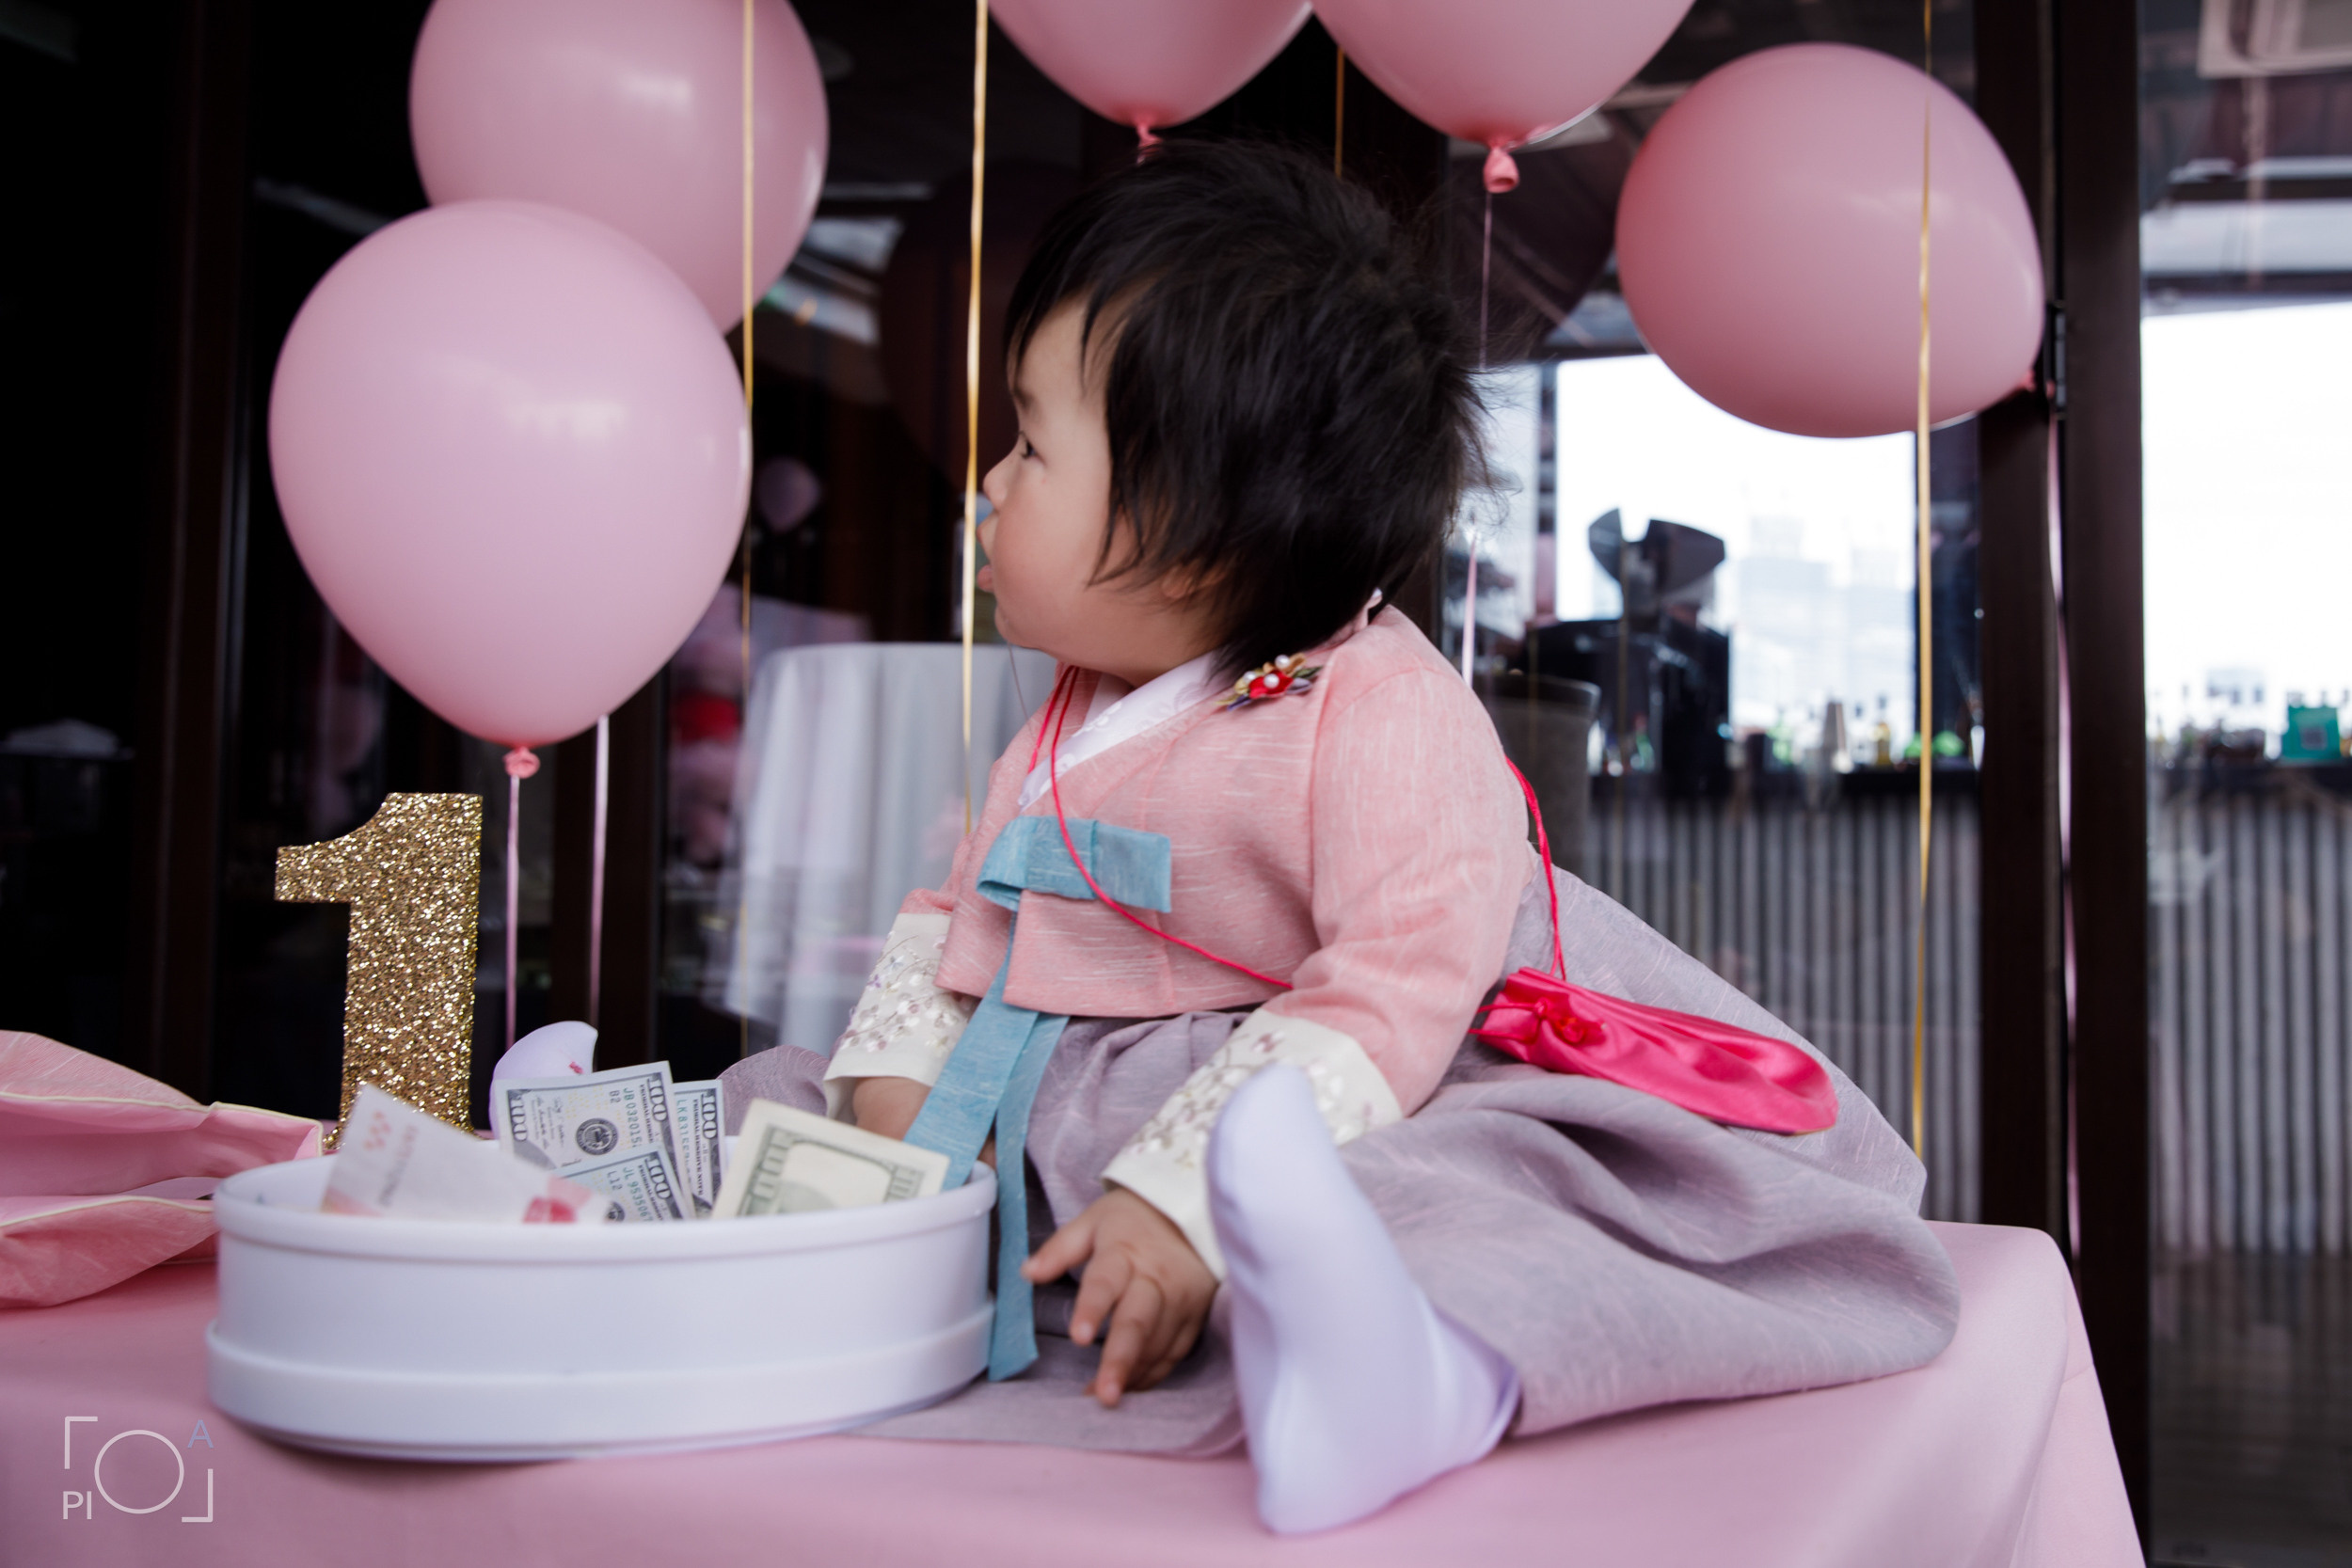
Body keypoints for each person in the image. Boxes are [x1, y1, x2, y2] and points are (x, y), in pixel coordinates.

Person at [722, 139, 1958, 1535]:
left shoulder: (1377, 707)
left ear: (1194, 534)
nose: (989, 482)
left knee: (1485, 1191)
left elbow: (1394, 985)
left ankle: (1425, 1379)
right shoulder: (1065, 714)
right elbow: (961, 919)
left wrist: (1188, 1190)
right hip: (1064, 1075)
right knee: (782, 1104)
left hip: (1357, 1065)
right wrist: (904, 1105)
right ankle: (560, 1179)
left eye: (1030, 442)